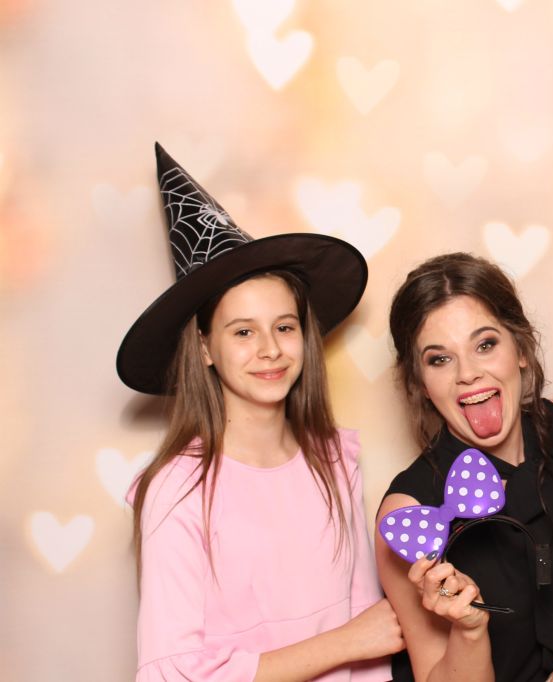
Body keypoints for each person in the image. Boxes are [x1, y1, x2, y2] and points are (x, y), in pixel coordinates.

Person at [119, 144, 403, 681]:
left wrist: (360, 642)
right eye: (243, 331)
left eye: (284, 327)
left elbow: (369, 636)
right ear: (205, 347)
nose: (270, 349)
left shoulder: (333, 460)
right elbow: (171, 674)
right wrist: (344, 643)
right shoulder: (177, 490)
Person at [375, 252, 553, 681]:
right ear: (420, 383)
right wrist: (469, 630)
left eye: (485, 345)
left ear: (521, 349)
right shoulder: (409, 515)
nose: (468, 374)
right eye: (440, 359)